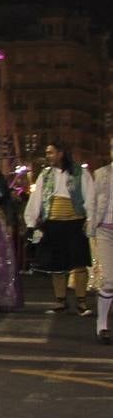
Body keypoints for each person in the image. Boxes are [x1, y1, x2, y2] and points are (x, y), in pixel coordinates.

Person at [25, 141, 95, 316]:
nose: (48, 156)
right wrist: (31, 223)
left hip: (75, 222)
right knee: (57, 265)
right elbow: (36, 199)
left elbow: (90, 197)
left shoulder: (81, 173)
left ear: (61, 153)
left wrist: (91, 218)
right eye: (47, 153)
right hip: (53, 222)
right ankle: (60, 301)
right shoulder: (45, 175)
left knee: (79, 263)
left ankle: (81, 302)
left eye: (51, 152)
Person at [87, 138, 113, 343]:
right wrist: (91, 230)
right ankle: (102, 324)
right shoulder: (101, 174)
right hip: (106, 231)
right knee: (109, 280)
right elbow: (93, 203)